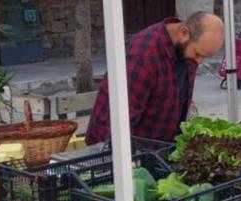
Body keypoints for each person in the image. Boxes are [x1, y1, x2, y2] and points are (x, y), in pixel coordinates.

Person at [85, 12, 225, 145]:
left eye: (205, 57)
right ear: (183, 33)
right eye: (197, 54)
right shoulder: (142, 56)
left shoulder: (185, 50)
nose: (199, 62)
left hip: (161, 148)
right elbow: (114, 123)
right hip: (129, 151)